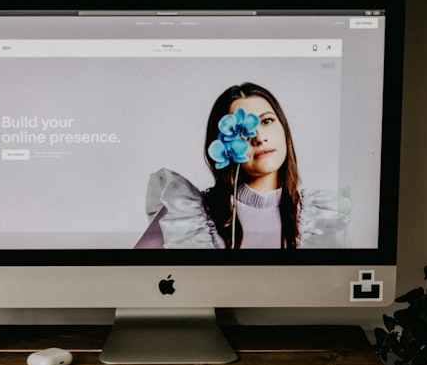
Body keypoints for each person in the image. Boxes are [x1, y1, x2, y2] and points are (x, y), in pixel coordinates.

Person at [134, 82, 352, 249]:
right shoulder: (188, 214)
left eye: (267, 121)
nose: (258, 138)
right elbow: (136, 280)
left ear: (284, 128)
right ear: (220, 141)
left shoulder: (319, 217)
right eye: (241, 131)